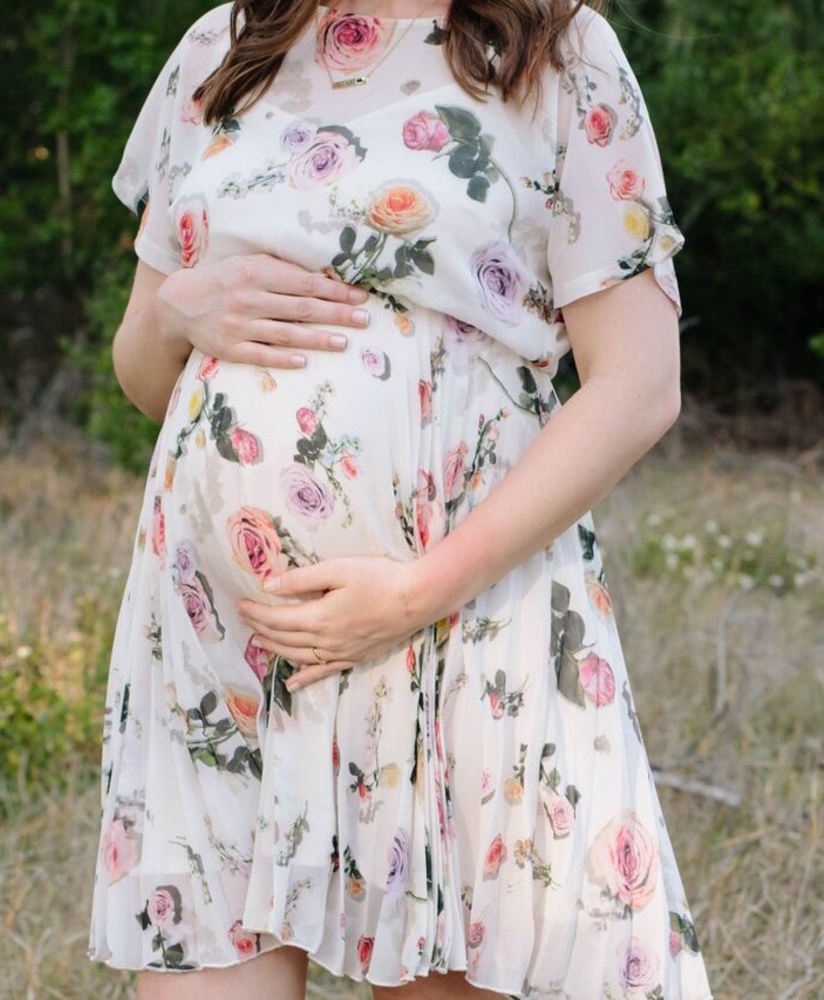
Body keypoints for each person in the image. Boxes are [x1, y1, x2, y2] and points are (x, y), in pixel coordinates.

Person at [89, 1, 714, 997]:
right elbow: (144, 371)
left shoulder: (556, 50)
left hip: (452, 613)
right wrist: (178, 304)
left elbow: (638, 384)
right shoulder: (226, 44)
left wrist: (417, 591)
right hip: (219, 628)